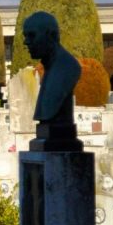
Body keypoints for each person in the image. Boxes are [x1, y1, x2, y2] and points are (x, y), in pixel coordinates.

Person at [21, 11, 81, 148]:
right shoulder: (49, 69)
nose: (26, 42)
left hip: (60, 140)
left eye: (32, 35)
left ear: (51, 36)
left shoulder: (66, 67)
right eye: (25, 36)